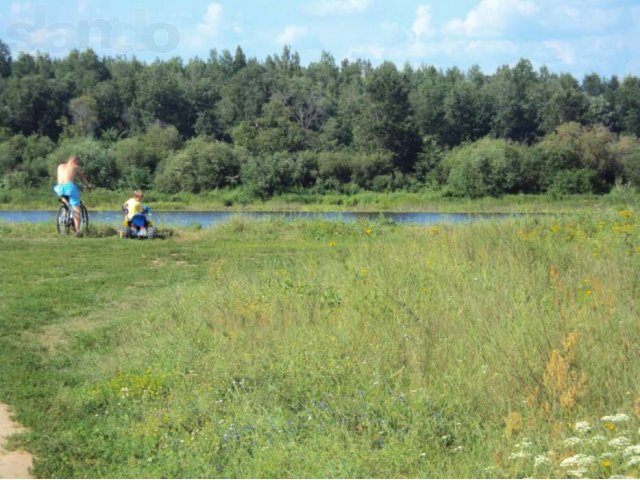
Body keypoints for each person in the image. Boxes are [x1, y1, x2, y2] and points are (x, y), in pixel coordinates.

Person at [53, 155, 91, 234]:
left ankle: (65, 209)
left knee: (66, 201)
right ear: (75, 161)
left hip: (59, 188)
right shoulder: (75, 167)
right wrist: (88, 186)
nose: (78, 164)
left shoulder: (60, 166)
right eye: (78, 162)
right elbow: (82, 178)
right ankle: (77, 231)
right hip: (69, 187)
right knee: (76, 208)